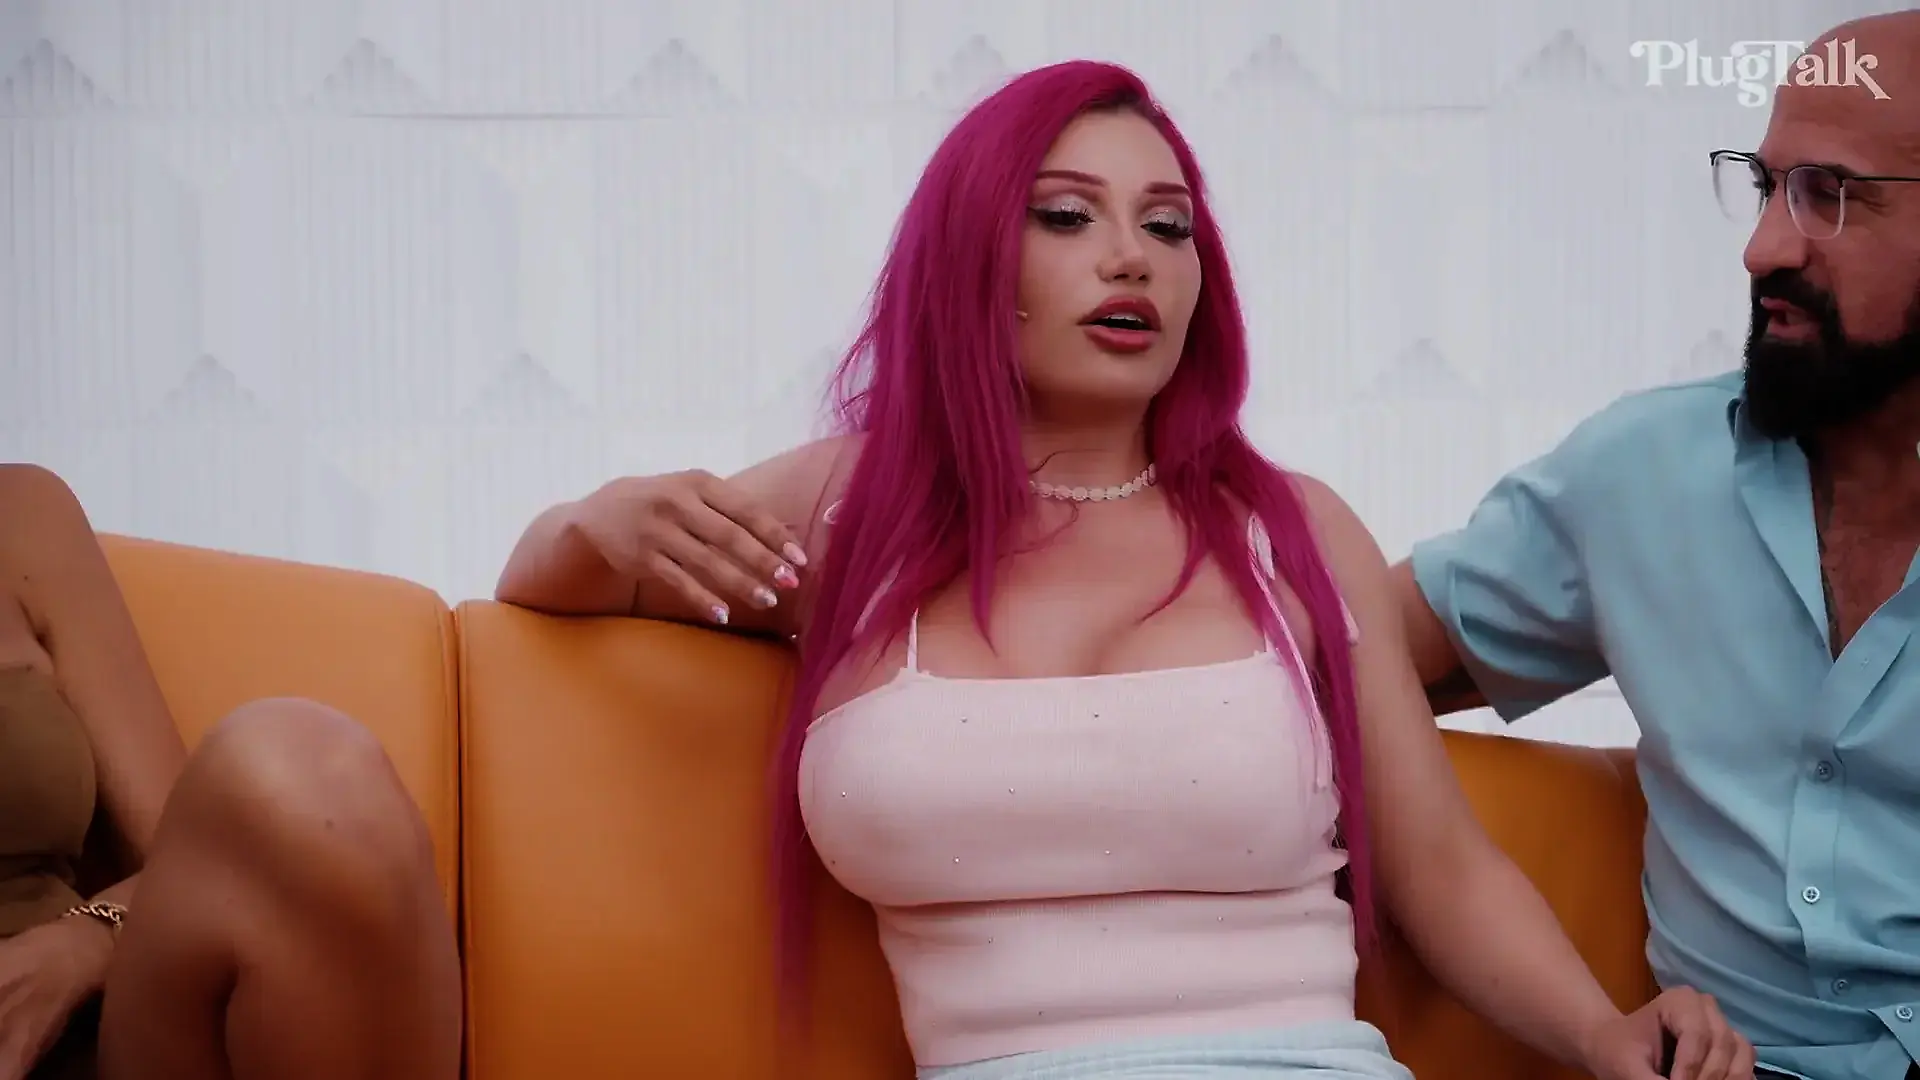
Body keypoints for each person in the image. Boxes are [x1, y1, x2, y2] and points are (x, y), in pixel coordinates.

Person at [499, 61, 1750, 1079]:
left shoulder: (1295, 531)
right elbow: (556, 586)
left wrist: (1604, 1035)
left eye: (1167, 226)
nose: (1132, 258)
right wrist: (595, 523)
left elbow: (1441, 868)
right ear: (969, 257)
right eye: (1066, 216)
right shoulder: (846, 512)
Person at [1394, 11, 1920, 1080]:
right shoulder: (1641, 473)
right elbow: (1329, 657)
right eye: (1765, 186)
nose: (1764, 247)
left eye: (1829, 194)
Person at [0, 463, 463, 1080]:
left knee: (310, 777)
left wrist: (79, 943)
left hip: (72, 1040)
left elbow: (174, 864)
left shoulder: (24, 517)